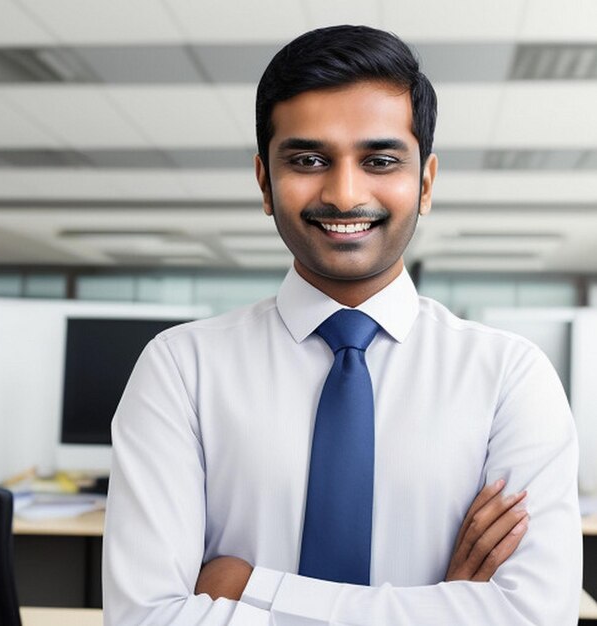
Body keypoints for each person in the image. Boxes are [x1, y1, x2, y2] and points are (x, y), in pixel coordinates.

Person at [102, 25, 581, 625]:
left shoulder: (510, 375)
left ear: (425, 182)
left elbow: (534, 617)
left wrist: (252, 587)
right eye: (308, 159)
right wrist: (442, 607)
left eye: (380, 160)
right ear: (264, 182)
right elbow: (145, 618)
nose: (344, 193)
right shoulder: (181, 368)